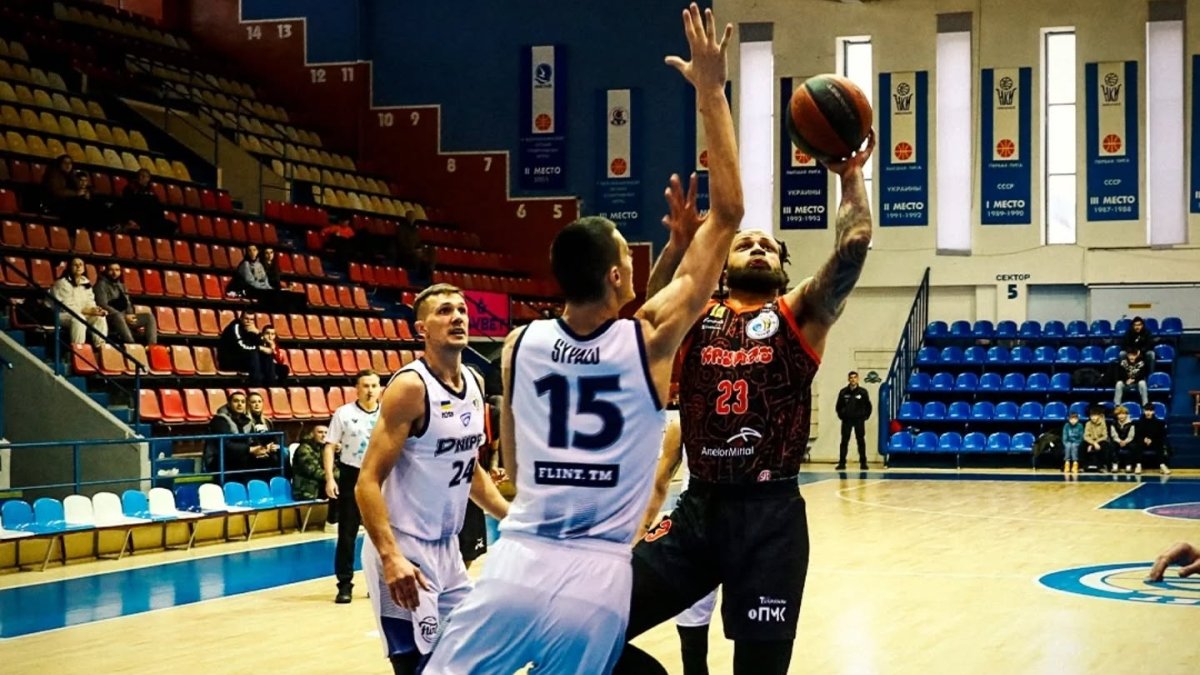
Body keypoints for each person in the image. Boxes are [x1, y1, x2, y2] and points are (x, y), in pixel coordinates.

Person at [425, 7, 745, 673]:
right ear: (617, 275)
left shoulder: (519, 344)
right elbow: (730, 213)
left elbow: (515, 466)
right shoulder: (647, 340)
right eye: (626, 253)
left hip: (516, 562)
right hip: (597, 577)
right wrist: (711, 90)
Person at [615, 27, 875, 675]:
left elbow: (852, 248)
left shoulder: (798, 317)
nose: (756, 245)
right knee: (592, 621)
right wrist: (679, 247)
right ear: (723, 266)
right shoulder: (697, 315)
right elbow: (653, 308)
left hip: (771, 515)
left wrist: (850, 178)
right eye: (744, 242)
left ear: (784, 270)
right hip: (699, 508)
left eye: (768, 246)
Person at [354, 285, 510, 674]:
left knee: (468, 658)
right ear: (421, 329)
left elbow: (469, 468)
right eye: (444, 311)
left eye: (461, 310)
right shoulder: (410, 387)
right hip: (403, 546)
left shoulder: (474, 382)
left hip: (448, 550)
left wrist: (512, 516)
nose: (457, 317)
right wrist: (391, 556)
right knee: (417, 667)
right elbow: (367, 481)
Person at [640, 406, 718, 675]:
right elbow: (660, 482)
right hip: (696, 533)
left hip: (742, 532)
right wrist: (641, 533)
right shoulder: (683, 424)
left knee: (749, 642)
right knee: (694, 647)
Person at [324, 369, 383, 604]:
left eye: (374, 386)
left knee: (380, 532)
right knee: (347, 533)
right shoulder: (344, 413)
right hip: (352, 475)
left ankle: (377, 582)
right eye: (365, 386)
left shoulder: (387, 413)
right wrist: (330, 478)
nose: (370, 390)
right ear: (357, 389)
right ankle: (344, 584)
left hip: (380, 475)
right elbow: (330, 446)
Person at [93, 262, 157, 345]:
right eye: (111, 270)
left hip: (124, 318)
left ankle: (152, 346)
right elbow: (102, 304)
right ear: (106, 271)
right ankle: (131, 345)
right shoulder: (100, 285)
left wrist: (130, 315)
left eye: (117, 270)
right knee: (117, 316)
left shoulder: (122, 286)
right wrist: (124, 317)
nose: (114, 273)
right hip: (110, 318)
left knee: (149, 317)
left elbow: (127, 303)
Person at [49, 257, 107, 346]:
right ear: (69, 267)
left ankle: (100, 347)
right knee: (79, 318)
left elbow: (90, 302)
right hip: (62, 314)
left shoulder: (86, 283)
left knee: (100, 318)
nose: (78, 267)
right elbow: (67, 307)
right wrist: (88, 311)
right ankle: (78, 348)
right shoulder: (62, 283)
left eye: (80, 265)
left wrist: (96, 310)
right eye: (75, 265)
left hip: (82, 313)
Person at [205, 391, 252, 476]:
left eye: (243, 402)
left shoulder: (247, 421)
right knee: (242, 461)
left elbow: (252, 440)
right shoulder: (219, 420)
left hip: (241, 455)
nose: (240, 404)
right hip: (218, 459)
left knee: (266, 458)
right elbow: (226, 445)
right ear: (229, 404)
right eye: (236, 401)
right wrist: (249, 449)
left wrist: (263, 448)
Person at [835, 370, 872, 470]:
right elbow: (838, 407)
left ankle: (863, 463)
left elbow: (868, 406)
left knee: (860, 441)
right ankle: (842, 463)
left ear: (858, 379)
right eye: (851, 378)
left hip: (859, 420)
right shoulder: (843, 392)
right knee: (844, 441)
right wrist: (843, 416)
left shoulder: (863, 392)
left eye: (855, 377)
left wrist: (865, 416)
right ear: (848, 379)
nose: (853, 379)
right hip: (847, 421)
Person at [121, 168, 170, 235]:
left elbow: (157, 205)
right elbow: (127, 204)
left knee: (170, 225)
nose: (142, 178)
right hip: (136, 214)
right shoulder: (130, 188)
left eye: (145, 176)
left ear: (148, 179)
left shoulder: (151, 191)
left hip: (149, 217)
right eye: (140, 175)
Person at [291, 424, 332, 501]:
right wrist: (333, 477)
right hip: (306, 490)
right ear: (312, 434)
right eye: (320, 432)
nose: (324, 435)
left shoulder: (324, 448)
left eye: (326, 433)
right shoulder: (304, 449)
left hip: (321, 487)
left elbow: (334, 467)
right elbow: (314, 471)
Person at [1137, 405, 1170, 475]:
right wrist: (1144, 439)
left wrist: (1151, 439)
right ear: (1144, 411)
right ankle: (1138, 465)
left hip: (1154, 441)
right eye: (1146, 410)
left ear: (1153, 412)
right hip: (1142, 441)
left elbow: (1161, 434)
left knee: (1160, 444)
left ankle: (1162, 465)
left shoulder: (1159, 423)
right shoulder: (1138, 422)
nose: (1148, 412)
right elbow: (1138, 434)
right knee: (1137, 444)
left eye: (1150, 410)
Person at [1106, 405, 1138, 473]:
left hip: (1128, 440)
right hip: (1117, 440)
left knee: (1133, 446)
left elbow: (1131, 435)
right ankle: (1115, 464)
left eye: (1123, 414)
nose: (1121, 416)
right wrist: (1119, 441)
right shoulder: (1113, 423)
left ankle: (1129, 465)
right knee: (1111, 445)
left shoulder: (1132, 423)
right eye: (1119, 414)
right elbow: (1114, 435)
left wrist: (1125, 441)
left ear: (1126, 415)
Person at [1082, 407, 1108, 472]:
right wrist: (1093, 443)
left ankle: (1102, 466)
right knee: (1082, 445)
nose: (1093, 417)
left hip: (1099, 441)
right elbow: (1086, 436)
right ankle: (1082, 466)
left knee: (1105, 445)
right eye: (1092, 416)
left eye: (1095, 416)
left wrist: (1095, 443)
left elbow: (1105, 436)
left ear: (1099, 416)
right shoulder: (1088, 423)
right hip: (1090, 441)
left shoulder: (1103, 423)